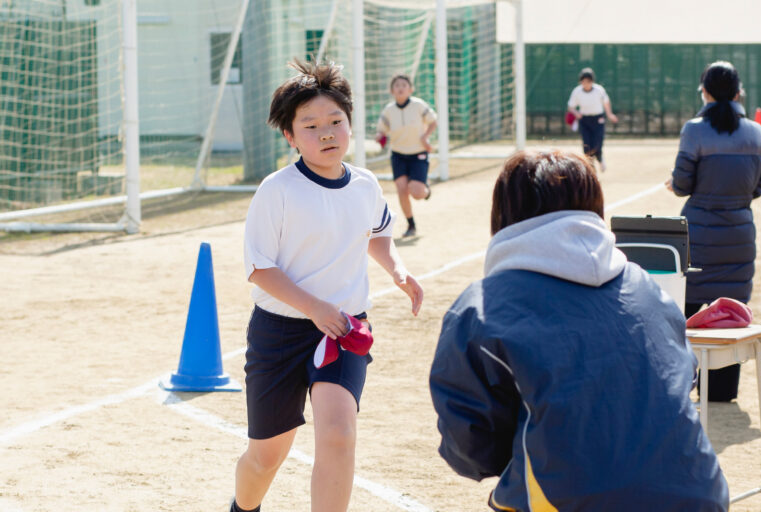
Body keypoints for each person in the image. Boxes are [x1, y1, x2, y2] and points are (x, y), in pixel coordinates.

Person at [429, 150, 728, 511]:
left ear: (504, 213)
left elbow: (470, 444)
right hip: (700, 496)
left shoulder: (481, 306)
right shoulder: (645, 286)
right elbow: (683, 376)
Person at [234, 59, 424, 512]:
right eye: (311, 125)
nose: (326, 133)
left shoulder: (364, 184)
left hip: (343, 328)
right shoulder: (276, 190)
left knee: (338, 436)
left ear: (350, 124)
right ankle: (242, 508)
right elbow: (260, 269)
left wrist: (396, 269)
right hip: (279, 333)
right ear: (290, 136)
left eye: (336, 121)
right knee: (266, 456)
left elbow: (377, 234)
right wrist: (315, 306)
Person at [666, 61, 761, 402]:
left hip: (698, 233)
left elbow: (682, 185)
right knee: (731, 311)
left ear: (704, 92)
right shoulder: (757, 133)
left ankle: (686, 381)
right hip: (739, 234)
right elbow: (758, 188)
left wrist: (678, 184)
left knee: (688, 310)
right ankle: (723, 389)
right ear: (739, 92)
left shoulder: (694, 130)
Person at [375, 74, 437, 237]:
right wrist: (380, 136)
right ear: (391, 91)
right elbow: (382, 130)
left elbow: (433, 121)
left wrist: (425, 137)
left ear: (411, 89)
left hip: (418, 154)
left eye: (404, 85)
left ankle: (425, 189)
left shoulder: (418, 105)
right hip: (398, 155)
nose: (400, 87)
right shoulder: (388, 110)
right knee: (402, 189)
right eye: (397, 85)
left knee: (416, 193)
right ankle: (411, 225)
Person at [567, 67, 618, 172]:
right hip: (584, 120)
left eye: (588, 81)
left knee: (597, 144)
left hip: (598, 119)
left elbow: (606, 102)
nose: (586, 84)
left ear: (592, 81)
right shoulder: (577, 92)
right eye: (583, 81)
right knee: (586, 145)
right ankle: (590, 169)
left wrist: (610, 114)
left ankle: (600, 158)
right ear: (580, 81)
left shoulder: (599, 90)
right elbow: (570, 107)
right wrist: (576, 113)